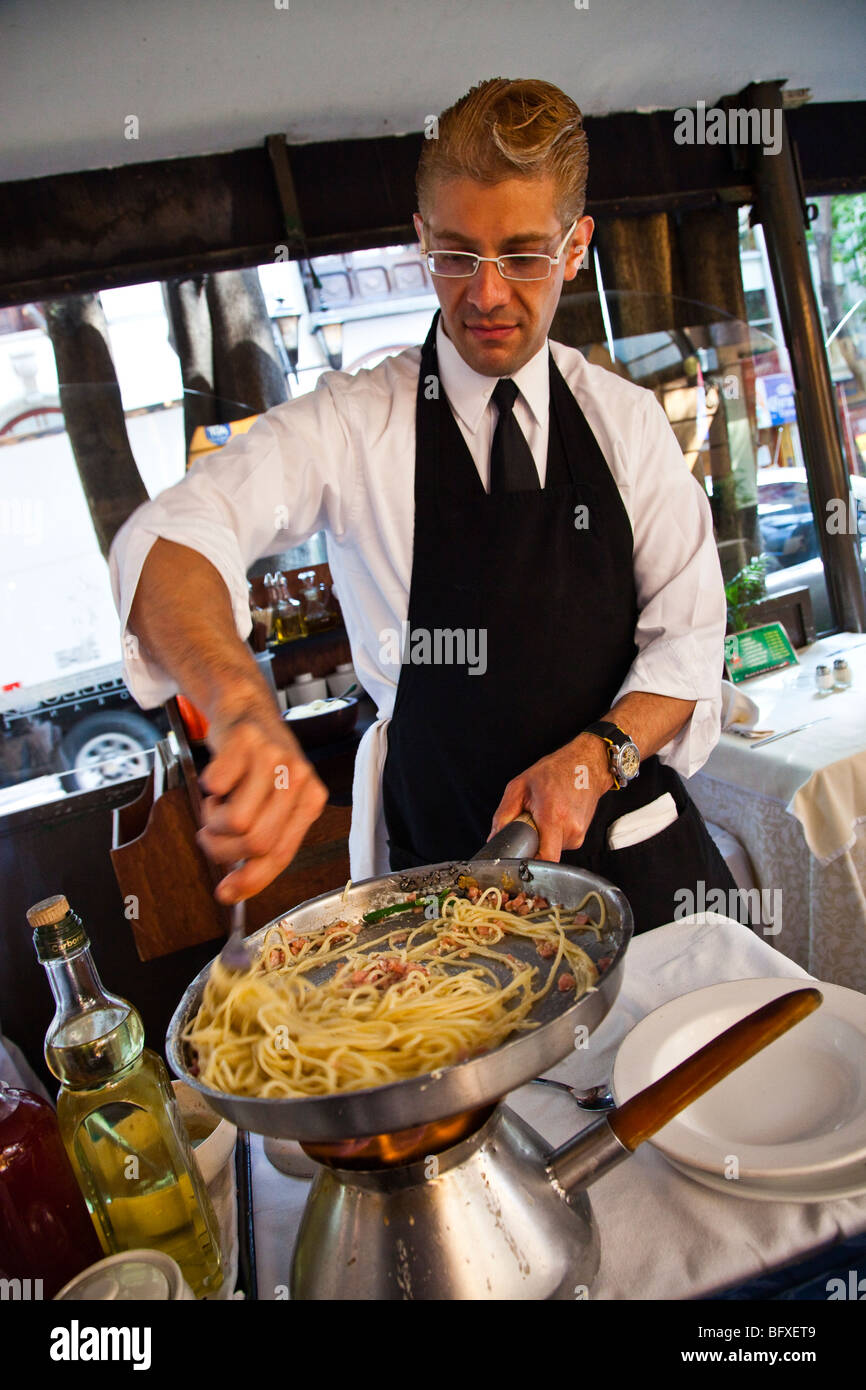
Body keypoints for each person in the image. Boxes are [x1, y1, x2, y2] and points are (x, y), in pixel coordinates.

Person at [110, 77, 736, 932]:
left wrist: (596, 757)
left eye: (521, 255)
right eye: (454, 254)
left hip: (641, 862)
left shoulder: (625, 423)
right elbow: (174, 535)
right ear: (419, 241)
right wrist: (240, 705)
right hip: (454, 892)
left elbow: (691, 644)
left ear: (576, 245)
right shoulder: (355, 423)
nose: (484, 294)